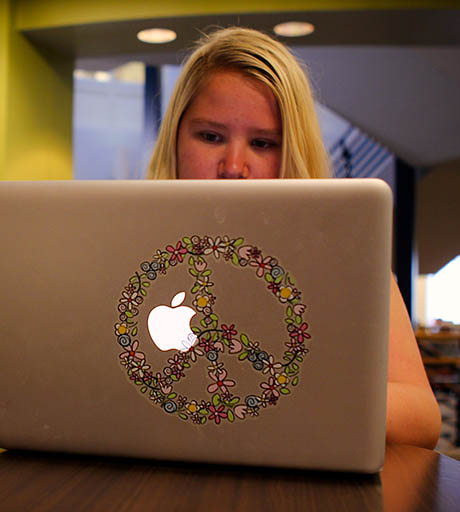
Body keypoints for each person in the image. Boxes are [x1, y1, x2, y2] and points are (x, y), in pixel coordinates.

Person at [147, 27, 441, 449]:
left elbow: (422, 420)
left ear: (292, 150)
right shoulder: (129, 249)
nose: (233, 166)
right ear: (175, 137)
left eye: (263, 143)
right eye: (210, 137)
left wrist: (271, 395)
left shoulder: (346, 259)